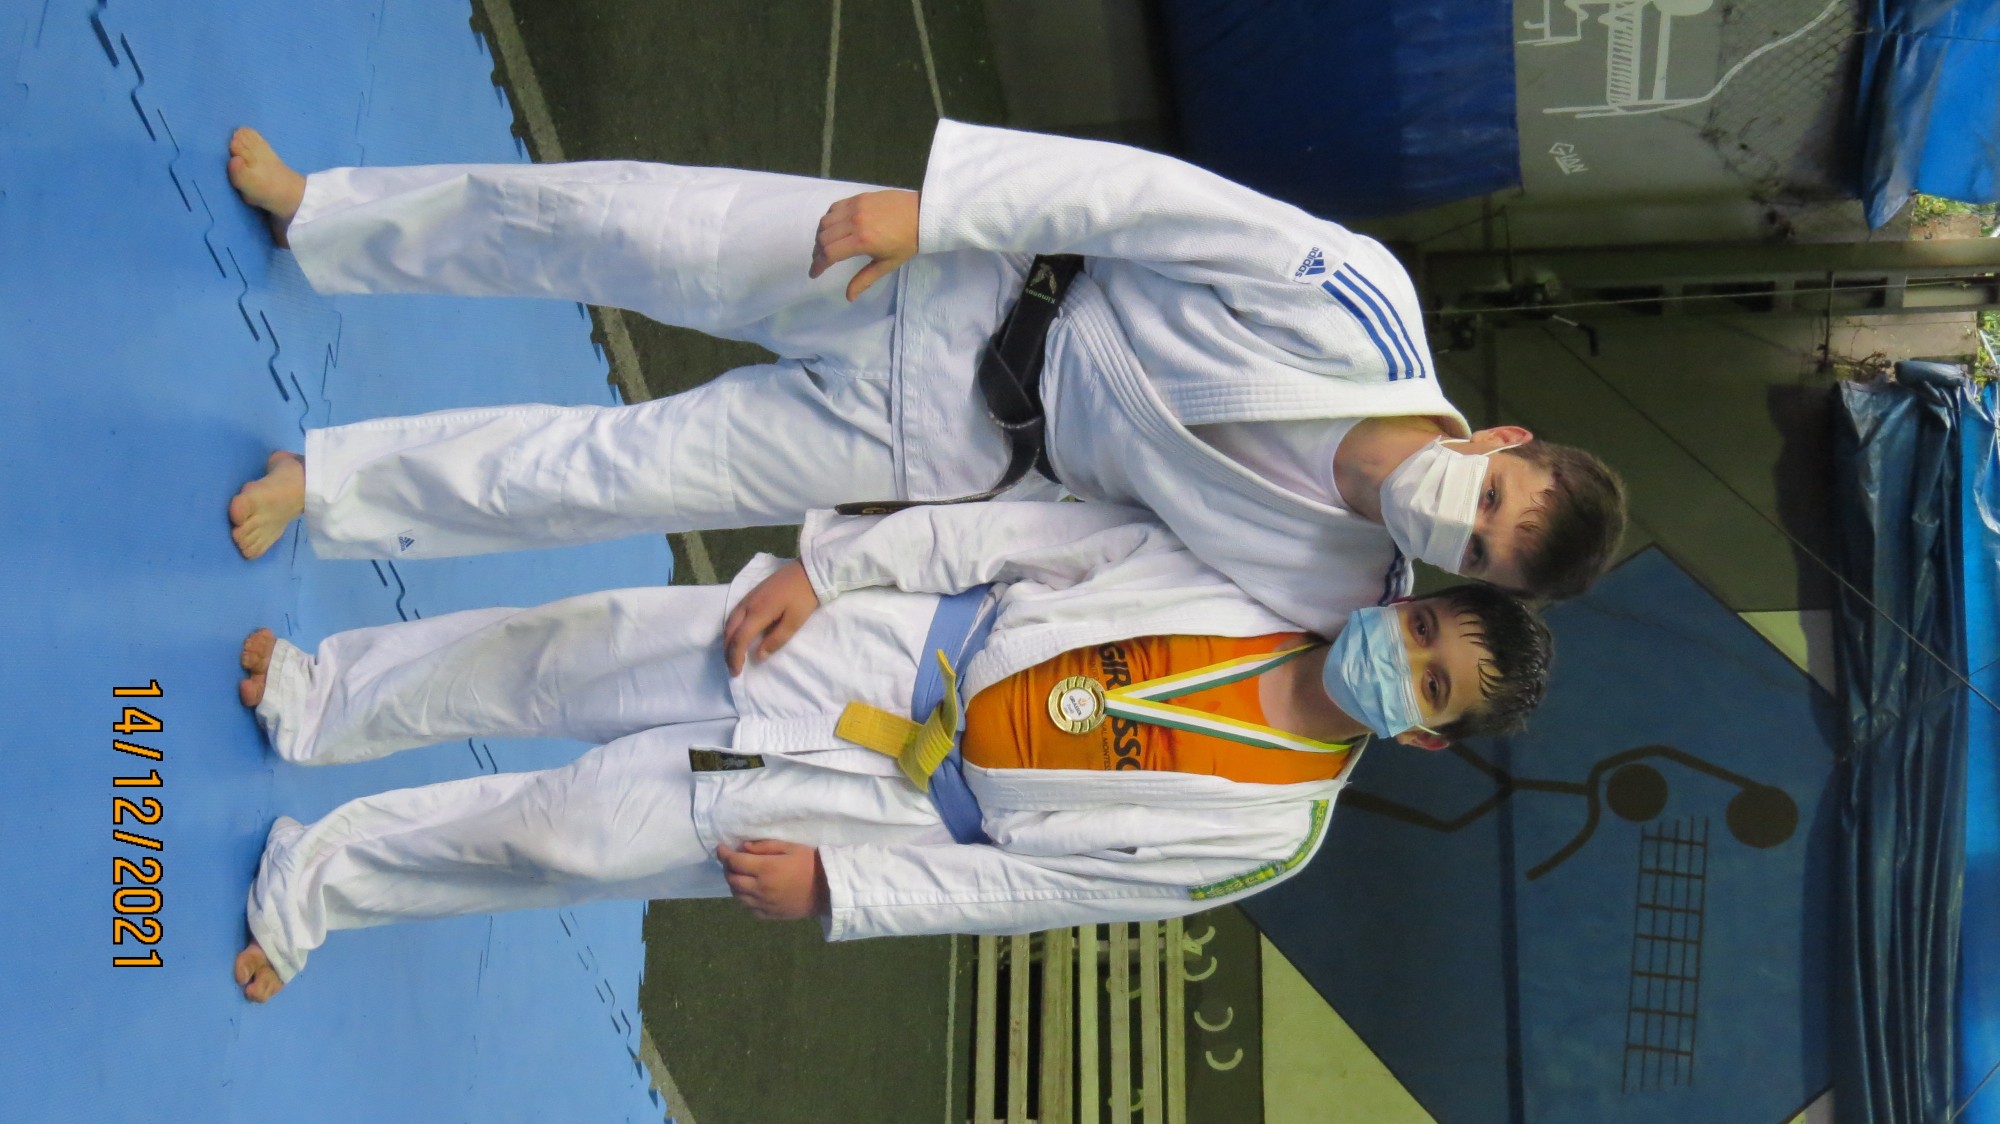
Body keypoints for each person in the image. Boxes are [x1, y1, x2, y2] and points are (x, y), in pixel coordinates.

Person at [222, 122, 1625, 634]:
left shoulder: (1333, 585)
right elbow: (1146, 199)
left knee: (619, 477)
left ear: (1469, 581)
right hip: (966, 277)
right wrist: (939, 211)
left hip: (956, 447)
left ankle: (329, 487)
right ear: (1502, 438)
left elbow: (1094, 556)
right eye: (1494, 497)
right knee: (614, 221)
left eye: (1479, 553)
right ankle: (326, 214)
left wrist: (848, 569)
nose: (1459, 520)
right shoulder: (1361, 309)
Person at [231, 501, 1553, 1001]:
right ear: (1406, 601)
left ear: (1425, 735)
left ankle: (318, 885)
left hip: (886, 806)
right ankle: (323, 694)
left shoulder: (1272, 832)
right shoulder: (1257, 582)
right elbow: (1022, 533)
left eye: (1427, 682)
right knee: (567, 651)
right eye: (1419, 626)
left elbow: (1045, 889)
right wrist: (831, 568)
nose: (1401, 655)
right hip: (877, 643)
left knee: (568, 838)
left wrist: (845, 891)